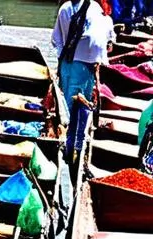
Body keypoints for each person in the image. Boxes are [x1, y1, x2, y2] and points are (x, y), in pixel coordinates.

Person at [52, 0, 114, 156]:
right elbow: (101, 39)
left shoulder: (65, 8)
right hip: (85, 64)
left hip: (67, 62)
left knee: (67, 104)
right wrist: (98, 58)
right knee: (81, 105)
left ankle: (67, 144)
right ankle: (75, 145)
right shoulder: (94, 8)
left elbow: (56, 40)